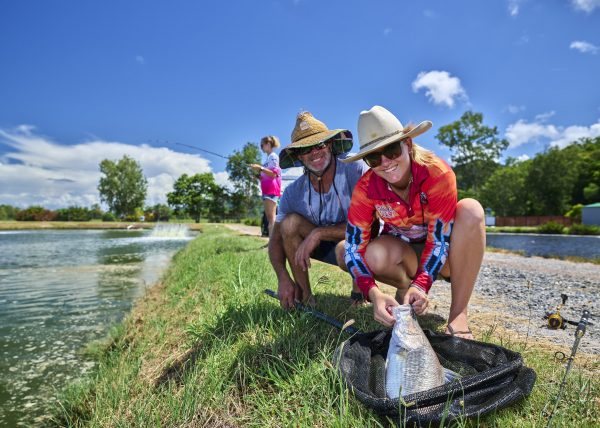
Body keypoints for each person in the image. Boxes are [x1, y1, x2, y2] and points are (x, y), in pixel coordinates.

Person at [343, 106, 485, 340]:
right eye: (374, 157)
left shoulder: (436, 172)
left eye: (391, 150)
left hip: (446, 256)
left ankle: (458, 315)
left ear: (407, 144)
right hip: (403, 253)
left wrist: (421, 285)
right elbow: (352, 247)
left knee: (471, 210)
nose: (385, 162)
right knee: (373, 254)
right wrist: (373, 293)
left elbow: (439, 240)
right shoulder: (366, 188)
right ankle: (404, 290)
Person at [268, 111, 369, 309]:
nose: (314, 153)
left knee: (352, 242)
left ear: (330, 145)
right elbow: (275, 242)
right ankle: (305, 297)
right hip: (319, 245)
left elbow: (368, 225)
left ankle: (359, 293)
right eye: (306, 149)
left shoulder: (355, 168)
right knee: (288, 224)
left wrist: (319, 232)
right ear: (298, 156)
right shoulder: (292, 193)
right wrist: (283, 277)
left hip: (357, 241)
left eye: (320, 145)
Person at [250, 136, 282, 237]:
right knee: (270, 218)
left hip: (272, 190)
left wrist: (260, 168)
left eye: (262, 145)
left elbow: (273, 174)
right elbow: (267, 175)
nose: (261, 147)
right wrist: (257, 176)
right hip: (266, 191)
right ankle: (271, 242)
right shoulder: (268, 159)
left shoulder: (273, 156)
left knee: (271, 218)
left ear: (268, 144)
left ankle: (273, 244)